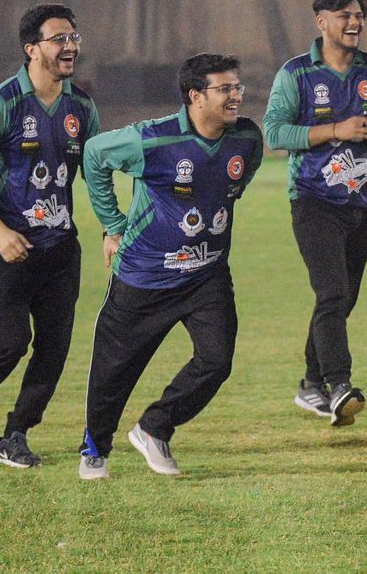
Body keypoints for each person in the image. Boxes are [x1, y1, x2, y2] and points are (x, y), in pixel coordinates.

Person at [78, 54, 262, 479]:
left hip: (207, 275)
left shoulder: (246, 137)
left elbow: (239, 179)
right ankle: (94, 449)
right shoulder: (153, 139)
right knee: (114, 370)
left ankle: (154, 428)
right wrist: (113, 226)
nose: (236, 96)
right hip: (144, 277)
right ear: (196, 96)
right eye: (225, 89)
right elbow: (94, 154)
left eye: (237, 87)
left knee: (216, 361)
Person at [264, 0, 367, 427]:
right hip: (313, 200)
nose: (354, 22)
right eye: (344, 15)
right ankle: (339, 384)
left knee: (344, 297)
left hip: (363, 201)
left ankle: (310, 383)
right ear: (321, 22)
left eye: (359, 15)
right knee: (331, 292)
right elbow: (275, 132)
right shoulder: (297, 74)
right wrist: (335, 130)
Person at [0, 4, 98, 468]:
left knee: (53, 350)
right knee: (8, 345)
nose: (70, 46)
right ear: (32, 49)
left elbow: (96, 171)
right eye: (58, 39)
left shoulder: (81, 107)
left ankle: (16, 434)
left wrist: (114, 227)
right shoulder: (2, 103)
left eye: (73, 37)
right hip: (3, 251)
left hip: (60, 251)